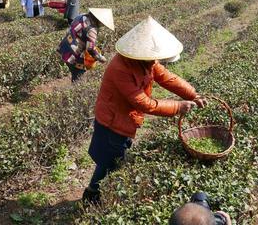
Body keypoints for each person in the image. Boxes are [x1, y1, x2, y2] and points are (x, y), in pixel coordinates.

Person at [81, 16, 208, 203]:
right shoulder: (120, 68)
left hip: (125, 119)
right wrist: (178, 106)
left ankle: (103, 190)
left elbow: (167, 77)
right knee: (109, 160)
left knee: (118, 155)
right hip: (112, 121)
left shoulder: (147, 62)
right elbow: (142, 103)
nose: (156, 61)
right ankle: (93, 193)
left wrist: (192, 94)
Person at [57, 8, 114, 82]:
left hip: (65, 47)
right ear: (99, 20)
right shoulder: (92, 30)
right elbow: (90, 48)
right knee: (78, 78)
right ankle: (76, 91)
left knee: (74, 73)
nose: (102, 25)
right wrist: (100, 57)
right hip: (74, 55)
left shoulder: (82, 16)